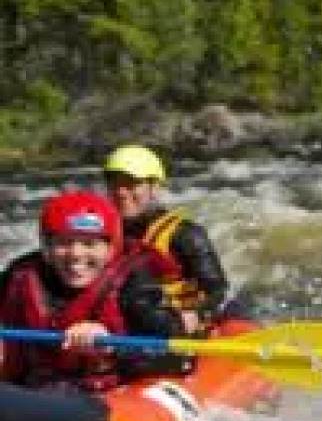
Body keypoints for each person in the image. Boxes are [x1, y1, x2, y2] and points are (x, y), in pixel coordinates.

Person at [0, 190, 186, 392]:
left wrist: (112, 346)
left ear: (110, 248)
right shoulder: (19, 275)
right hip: (31, 391)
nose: (76, 254)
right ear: (47, 248)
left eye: (89, 244)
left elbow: (180, 357)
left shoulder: (133, 285)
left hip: (107, 392)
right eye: (63, 243)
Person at [102, 144, 232, 334]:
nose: (121, 192)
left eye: (132, 183)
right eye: (115, 183)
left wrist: (198, 315)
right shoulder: (102, 234)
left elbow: (218, 291)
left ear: (154, 188)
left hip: (178, 331)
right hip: (130, 331)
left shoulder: (184, 234)